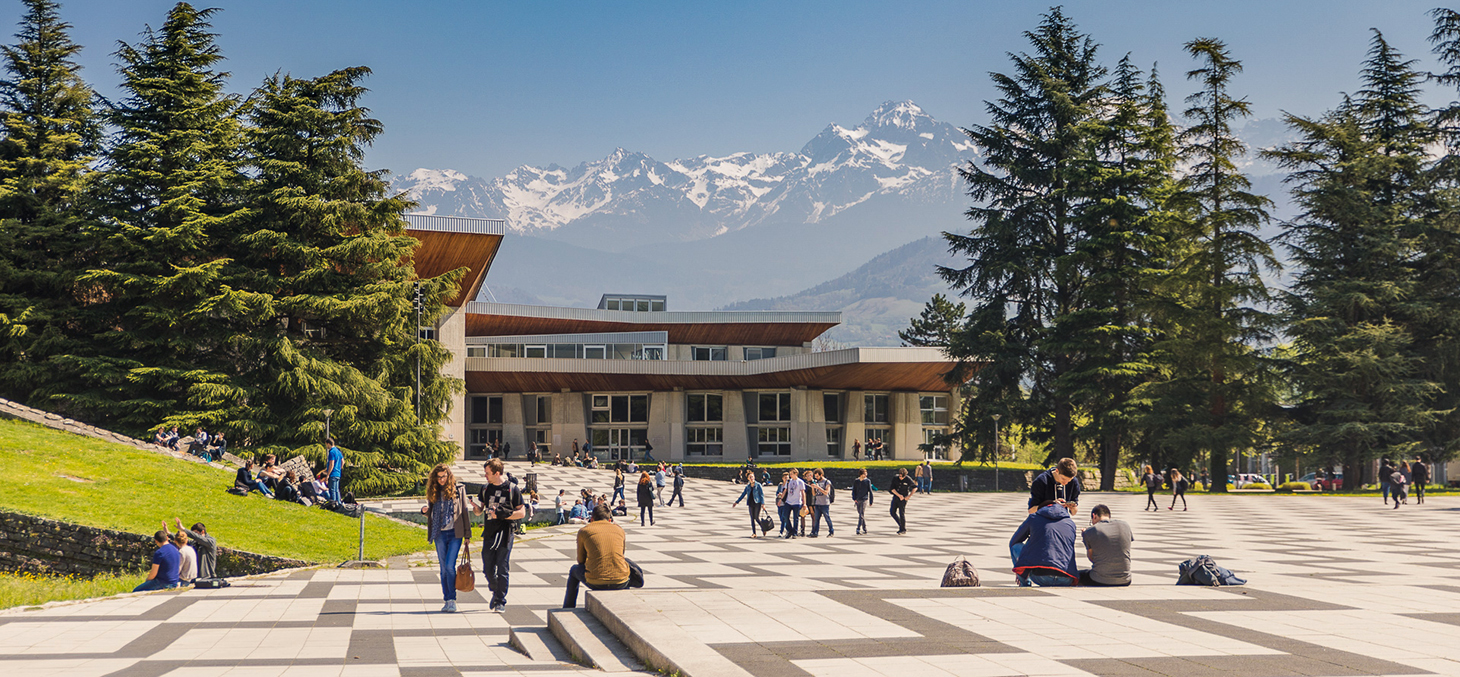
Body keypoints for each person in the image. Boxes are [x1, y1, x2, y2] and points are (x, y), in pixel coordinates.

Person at [473, 458, 524, 613]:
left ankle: (500, 600)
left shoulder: (512, 489)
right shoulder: (485, 489)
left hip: (505, 533)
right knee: (487, 568)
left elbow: (521, 512)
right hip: (489, 532)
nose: (485, 476)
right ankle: (495, 590)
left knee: (502, 567)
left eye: (487, 473)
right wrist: (475, 508)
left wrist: (501, 516)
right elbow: (479, 511)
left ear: (497, 473)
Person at [420, 464, 471, 612]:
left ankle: (452, 599)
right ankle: (447, 599)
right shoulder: (433, 490)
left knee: (449, 566)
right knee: (443, 569)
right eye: (439, 477)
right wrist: (424, 511)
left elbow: (465, 512)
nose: (442, 480)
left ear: (449, 476)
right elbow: (431, 512)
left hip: (455, 533)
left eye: (444, 476)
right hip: (439, 533)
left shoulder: (458, 489)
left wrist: (467, 534)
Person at [563, 505, 637, 608]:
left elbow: (580, 561)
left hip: (595, 581)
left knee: (574, 570)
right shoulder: (619, 530)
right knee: (623, 565)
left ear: (592, 519)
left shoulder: (584, 531)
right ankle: (626, 604)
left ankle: (568, 607)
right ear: (609, 519)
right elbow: (621, 554)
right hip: (621, 581)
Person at [1010, 502, 1078, 587]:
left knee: (1016, 547)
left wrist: (1020, 569)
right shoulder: (1070, 523)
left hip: (1041, 577)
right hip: (1067, 578)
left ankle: (1025, 584)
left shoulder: (1033, 518)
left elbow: (1014, 542)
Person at [1079, 504, 1132, 587]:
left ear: (1094, 516)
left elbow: (1092, 558)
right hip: (1125, 579)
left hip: (1099, 579)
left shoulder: (1091, 531)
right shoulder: (1125, 525)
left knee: (1078, 574)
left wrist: (1085, 537)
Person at [809, 468, 834, 537]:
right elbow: (814, 494)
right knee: (816, 519)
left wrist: (818, 487)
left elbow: (826, 492)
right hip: (817, 503)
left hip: (825, 503)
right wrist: (813, 488)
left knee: (827, 518)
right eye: (815, 476)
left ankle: (831, 531)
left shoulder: (827, 482)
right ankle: (815, 532)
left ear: (821, 475)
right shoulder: (817, 482)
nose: (816, 478)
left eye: (817, 476)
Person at [889, 468, 914, 535]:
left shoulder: (908, 479)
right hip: (896, 497)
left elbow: (915, 487)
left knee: (901, 513)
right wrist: (899, 495)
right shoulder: (895, 478)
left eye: (902, 477)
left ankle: (902, 529)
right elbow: (892, 489)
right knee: (892, 512)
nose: (901, 478)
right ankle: (901, 525)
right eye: (900, 476)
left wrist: (909, 496)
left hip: (903, 499)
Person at [851, 468, 873, 535]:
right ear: (861, 474)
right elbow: (854, 490)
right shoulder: (856, 481)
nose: (866, 475)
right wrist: (854, 498)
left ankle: (858, 528)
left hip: (864, 499)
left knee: (861, 514)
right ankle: (865, 528)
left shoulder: (867, 481)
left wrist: (871, 501)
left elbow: (870, 491)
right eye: (864, 474)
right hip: (858, 499)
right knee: (860, 514)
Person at [325, 437, 344, 503]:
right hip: (338, 473)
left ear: (328, 444)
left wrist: (328, 475)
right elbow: (343, 461)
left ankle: (333, 504)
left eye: (326, 445)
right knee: (337, 490)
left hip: (332, 474)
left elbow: (331, 464)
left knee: (332, 490)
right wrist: (339, 468)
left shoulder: (332, 452)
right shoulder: (338, 451)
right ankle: (339, 503)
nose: (326, 447)